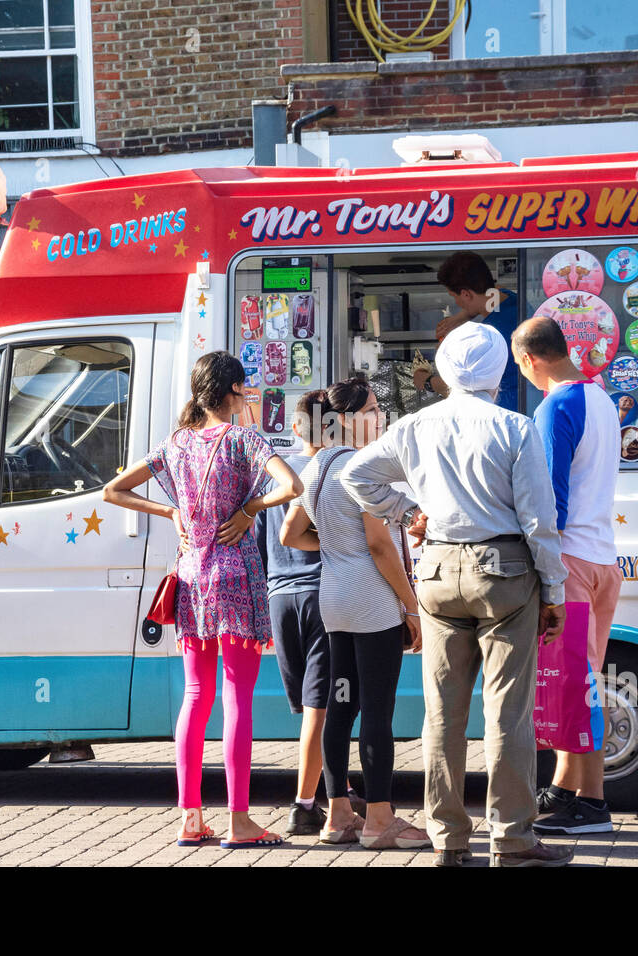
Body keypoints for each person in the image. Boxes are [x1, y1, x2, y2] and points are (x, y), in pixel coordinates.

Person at [339, 322, 571, 868]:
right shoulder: (515, 428)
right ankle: (513, 840)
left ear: (443, 369)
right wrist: (554, 591)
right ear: (499, 370)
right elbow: (540, 521)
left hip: (438, 569)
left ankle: (448, 841)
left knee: (442, 713)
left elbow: (356, 475)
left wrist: (406, 513)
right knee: (507, 713)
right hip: (506, 574)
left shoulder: (414, 425)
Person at [103, 350, 303, 849]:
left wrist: (169, 511)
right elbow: (292, 485)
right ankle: (239, 821)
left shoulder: (175, 444)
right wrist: (251, 506)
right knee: (238, 699)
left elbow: (112, 491)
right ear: (233, 391)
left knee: (196, 697)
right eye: (244, 388)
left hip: (192, 578)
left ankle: (190, 818)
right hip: (235, 577)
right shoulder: (245, 439)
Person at [280, 378, 431, 850]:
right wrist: (410, 606)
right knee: (378, 713)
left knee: (339, 708)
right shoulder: (361, 468)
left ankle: (337, 816)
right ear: (344, 419)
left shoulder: (319, 464)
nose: (379, 416)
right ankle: (380, 820)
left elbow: (291, 534)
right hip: (372, 603)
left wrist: (335, 548)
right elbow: (379, 544)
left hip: (334, 600)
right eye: (370, 409)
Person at [512, 316, 623, 835]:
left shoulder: (554, 406)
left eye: (520, 366)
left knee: (574, 686)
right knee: (585, 680)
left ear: (532, 359)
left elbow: (548, 499)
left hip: (571, 561)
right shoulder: (600, 396)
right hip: (603, 558)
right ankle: (565, 788)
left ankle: (593, 803)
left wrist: (543, 571)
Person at [253, 389, 366, 834]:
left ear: (296, 428)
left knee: (311, 706)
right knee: (324, 707)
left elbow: (264, 542)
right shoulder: (334, 472)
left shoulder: (274, 477)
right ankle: (304, 805)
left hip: (281, 596)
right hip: (322, 594)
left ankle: (338, 786)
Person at [412, 251, 520, 411]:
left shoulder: (491, 336)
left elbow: (468, 389)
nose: (456, 302)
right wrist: (463, 316)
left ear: (465, 294)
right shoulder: (512, 301)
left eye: (454, 296)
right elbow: (496, 292)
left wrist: (428, 382)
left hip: (503, 409)